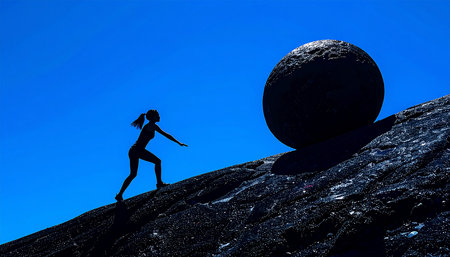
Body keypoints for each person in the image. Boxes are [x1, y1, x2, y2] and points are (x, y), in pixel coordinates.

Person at [115, 110, 187, 201]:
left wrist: (178, 142)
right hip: (136, 151)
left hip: (137, 150)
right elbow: (166, 135)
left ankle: (120, 194)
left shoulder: (151, 125)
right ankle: (159, 183)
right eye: (157, 115)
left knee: (136, 173)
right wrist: (179, 142)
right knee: (140, 170)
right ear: (153, 117)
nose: (159, 117)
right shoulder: (152, 126)